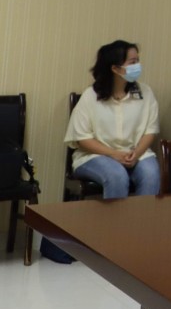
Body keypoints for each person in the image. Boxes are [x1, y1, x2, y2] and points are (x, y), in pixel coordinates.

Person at [65, 40, 160, 198]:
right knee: (117, 175)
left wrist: (136, 154)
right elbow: (83, 138)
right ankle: (116, 216)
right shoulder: (90, 96)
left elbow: (151, 131)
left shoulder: (146, 92)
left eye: (138, 61)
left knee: (151, 173)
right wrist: (114, 154)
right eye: (132, 62)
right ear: (115, 68)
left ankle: (143, 215)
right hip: (96, 156)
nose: (137, 66)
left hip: (136, 153)